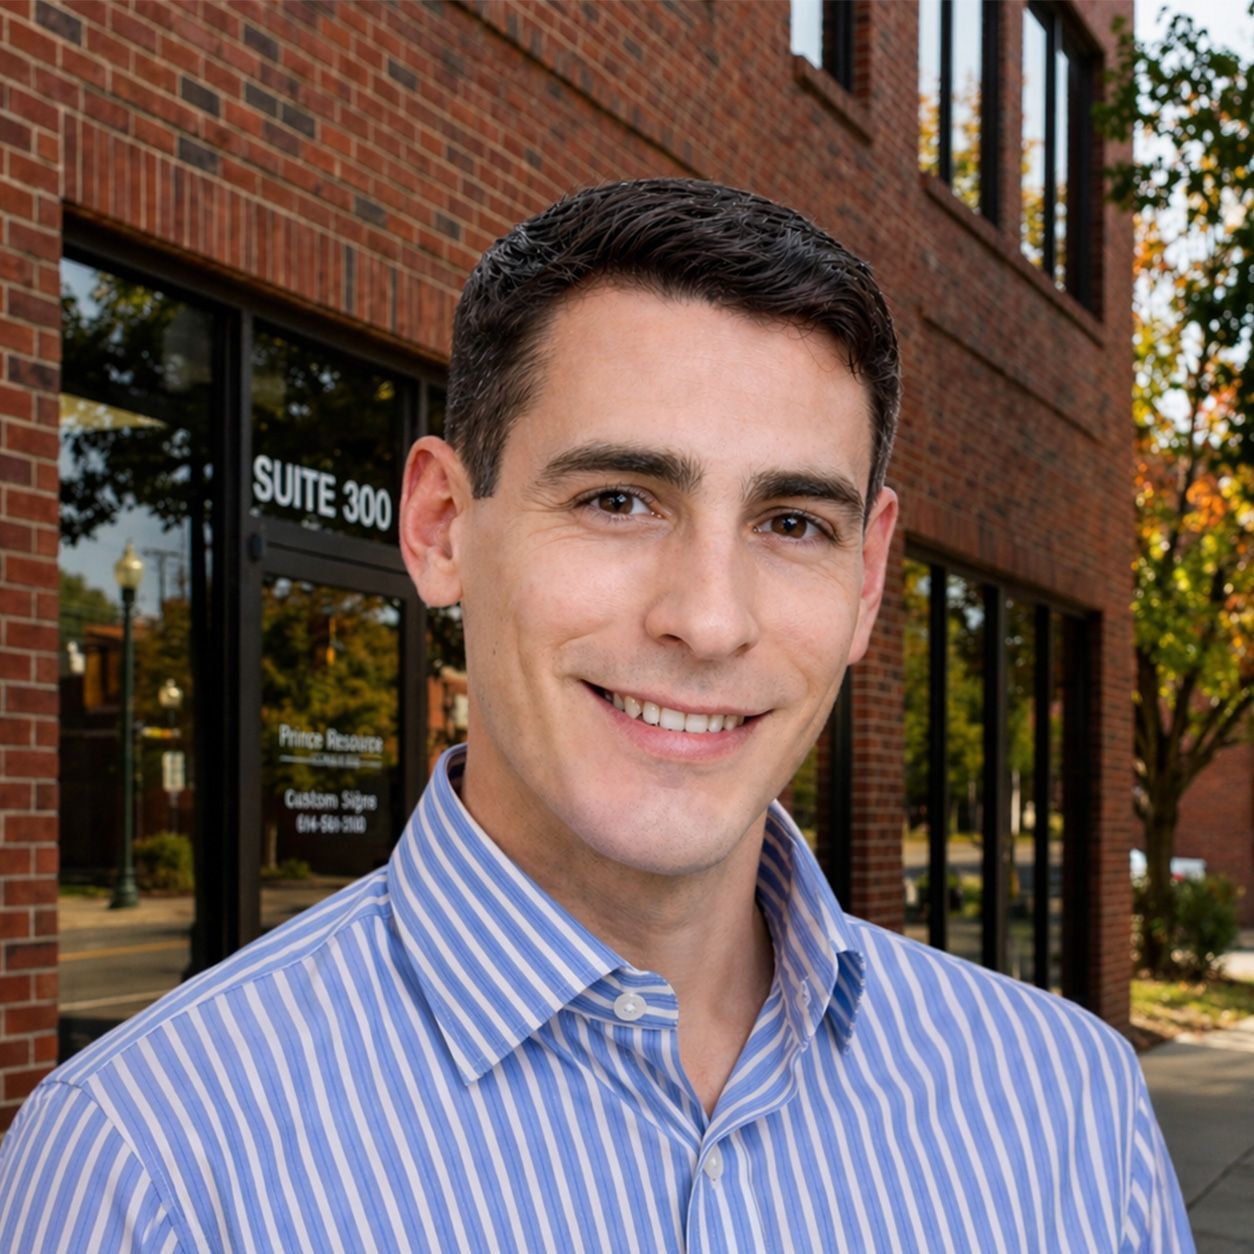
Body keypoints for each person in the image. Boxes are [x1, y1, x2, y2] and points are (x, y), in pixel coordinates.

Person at [0, 179, 1190, 1252]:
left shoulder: (1064, 1112)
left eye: (792, 524)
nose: (709, 620)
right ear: (441, 527)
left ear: (868, 579)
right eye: (619, 499)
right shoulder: (150, 1169)